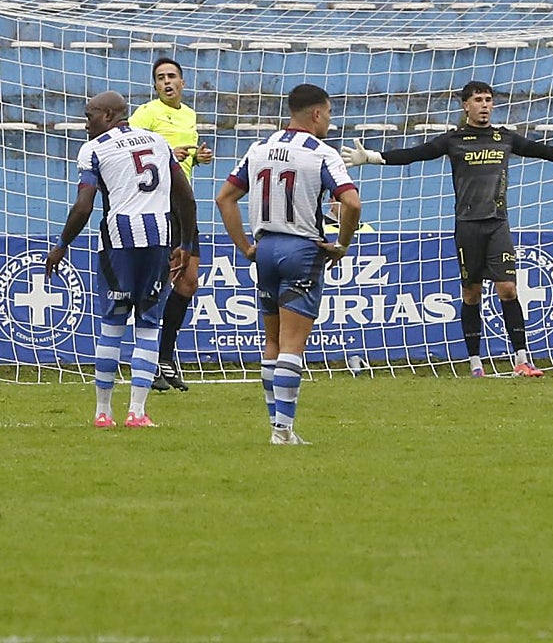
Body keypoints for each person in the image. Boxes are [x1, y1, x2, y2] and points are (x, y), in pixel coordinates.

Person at [341, 80, 553, 378]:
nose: (485, 105)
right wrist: (372, 157)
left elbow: (544, 150)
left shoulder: (505, 138)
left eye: (488, 99)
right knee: (471, 294)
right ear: (466, 105)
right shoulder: (453, 140)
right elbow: (415, 153)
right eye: (478, 99)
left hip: (497, 223)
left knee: (508, 289)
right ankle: (476, 363)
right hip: (467, 227)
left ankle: (522, 360)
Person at [215, 84, 361, 446]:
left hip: (265, 248)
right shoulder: (321, 154)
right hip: (301, 250)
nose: (329, 120)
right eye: (328, 113)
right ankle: (283, 431)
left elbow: (224, 198)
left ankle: (276, 427)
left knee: (272, 341)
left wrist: (246, 246)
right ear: (316, 113)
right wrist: (341, 244)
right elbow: (352, 203)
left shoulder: (259, 148)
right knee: (293, 344)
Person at [45, 91, 197, 429]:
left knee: (113, 324)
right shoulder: (158, 142)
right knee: (147, 325)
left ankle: (103, 412)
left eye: (90, 115)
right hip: (159, 239)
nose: (86, 124)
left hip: (119, 242)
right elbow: (185, 195)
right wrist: (185, 242)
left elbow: (84, 205)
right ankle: (138, 413)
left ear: (111, 114)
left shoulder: (94, 149)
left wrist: (61, 245)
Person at [129, 57, 214, 392]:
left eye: (172, 77)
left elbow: (183, 159)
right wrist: (165, 153)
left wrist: (197, 158)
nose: (167, 82)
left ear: (183, 82)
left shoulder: (190, 114)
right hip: (157, 206)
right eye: (161, 78)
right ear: (155, 86)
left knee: (188, 282)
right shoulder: (146, 114)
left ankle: (165, 357)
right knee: (158, 283)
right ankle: (147, 362)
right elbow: (130, 149)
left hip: (184, 205)